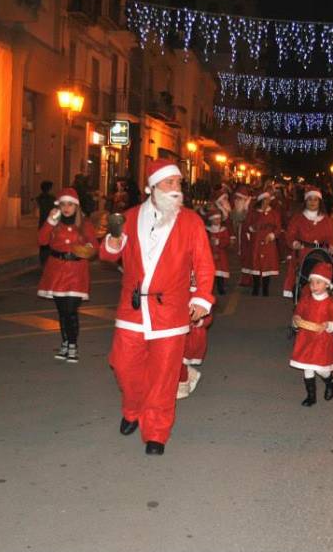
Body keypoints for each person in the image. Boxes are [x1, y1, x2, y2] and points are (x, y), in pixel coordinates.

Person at [100, 159, 215, 456]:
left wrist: (202, 298)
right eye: (169, 183)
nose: (176, 189)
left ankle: (157, 431)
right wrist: (113, 241)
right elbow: (109, 255)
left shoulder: (190, 221)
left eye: (178, 183)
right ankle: (133, 407)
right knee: (123, 365)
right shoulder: (129, 216)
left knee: (164, 375)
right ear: (153, 187)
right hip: (133, 307)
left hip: (171, 311)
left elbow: (203, 263)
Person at [37, 188, 97, 363]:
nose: (66, 208)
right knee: (62, 312)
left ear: (76, 206)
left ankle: (72, 345)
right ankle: (64, 343)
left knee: (71, 311)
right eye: (63, 204)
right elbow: (42, 240)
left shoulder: (84, 224)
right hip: (56, 271)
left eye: (70, 204)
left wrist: (85, 250)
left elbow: (95, 247)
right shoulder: (55, 223)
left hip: (76, 272)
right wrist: (49, 221)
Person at [290, 262, 333, 407]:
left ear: (326, 285)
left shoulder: (330, 303)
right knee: (308, 368)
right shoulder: (305, 300)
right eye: (312, 282)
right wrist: (296, 319)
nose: (313, 285)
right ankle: (311, 396)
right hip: (306, 338)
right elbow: (298, 313)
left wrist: (328, 325)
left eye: (318, 282)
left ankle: (330, 381)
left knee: (321, 370)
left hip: (322, 340)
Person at [282, 187, 333, 298]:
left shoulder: (325, 219)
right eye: (310, 199)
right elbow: (290, 235)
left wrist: (331, 245)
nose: (312, 202)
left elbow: (330, 236)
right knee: (304, 282)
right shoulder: (298, 218)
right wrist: (294, 243)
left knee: (319, 282)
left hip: (320, 255)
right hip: (302, 254)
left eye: (315, 199)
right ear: (305, 201)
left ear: (319, 202)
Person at [243, 191, 282, 296]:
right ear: (261, 201)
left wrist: (272, 235)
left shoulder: (274, 213)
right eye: (265, 200)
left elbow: (278, 228)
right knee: (256, 263)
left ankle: (265, 288)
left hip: (268, 242)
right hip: (256, 241)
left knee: (267, 265)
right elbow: (247, 225)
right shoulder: (254, 213)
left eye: (268, 200)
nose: (267, 202)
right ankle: (256, 287)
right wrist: (252, 228)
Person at [206, 210, 231, 295]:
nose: (218, 221)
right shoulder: (207, 230)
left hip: (221, 255)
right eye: (215, 219)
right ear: (211, 220)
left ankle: (221, 288)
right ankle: (210, 289)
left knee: (220, 273)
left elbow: (227, 241)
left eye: (219, 219)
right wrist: (210, 242)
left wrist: (218, 242)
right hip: (210, 254)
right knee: (211, 274)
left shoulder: (223, 230)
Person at [34, 180, 56, 266]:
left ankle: (43, 261)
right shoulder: (52, 198)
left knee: (43, 243)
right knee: (50, 242)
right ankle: (48, 261)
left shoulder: (39, 198)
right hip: (50, 222)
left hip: (42, 222)